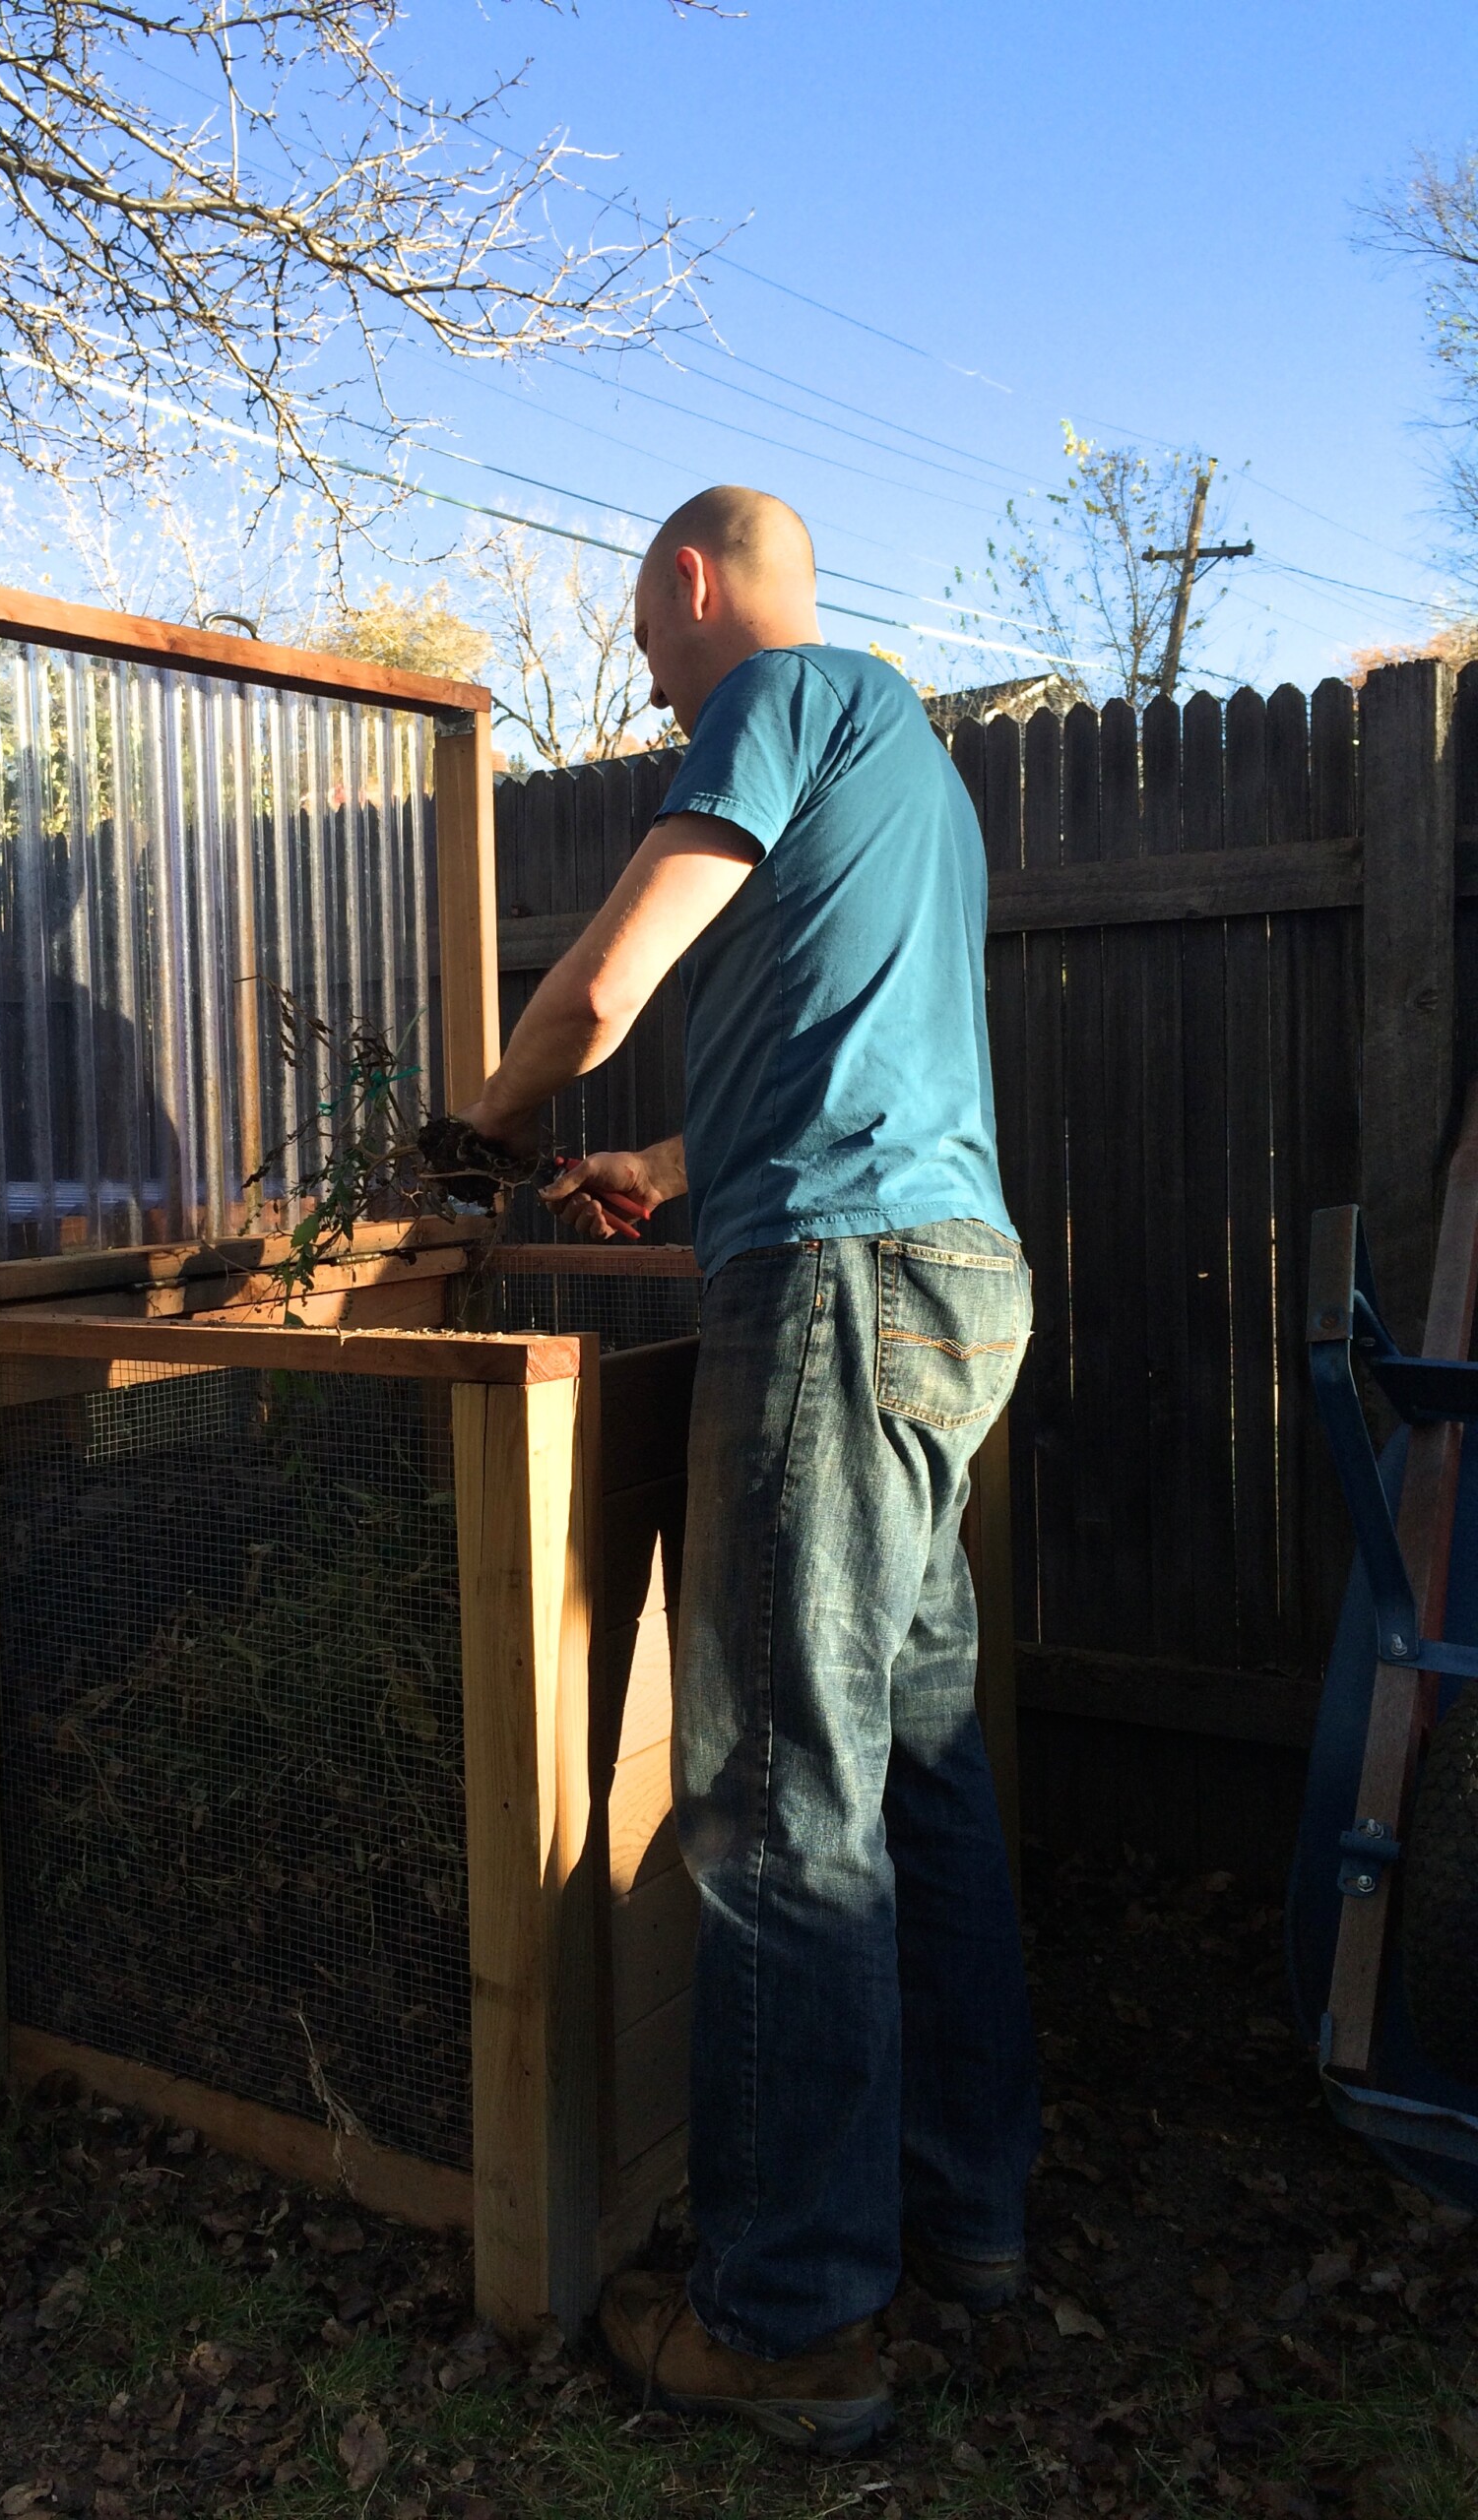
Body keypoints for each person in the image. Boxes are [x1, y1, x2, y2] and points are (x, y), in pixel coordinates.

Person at [452, 484, 1039, 2453]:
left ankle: (791, 2318)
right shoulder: (922, 775)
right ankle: (964, 2221)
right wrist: (679, 1162)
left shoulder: (779, 695)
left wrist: (473, 1136)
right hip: (951, 1287)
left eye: (643, 638)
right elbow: (871, 1059)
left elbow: (600, 989)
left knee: (779, 1795)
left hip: (838, 1293)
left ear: (695, 587)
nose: (649, 672)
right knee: (919, 1768)